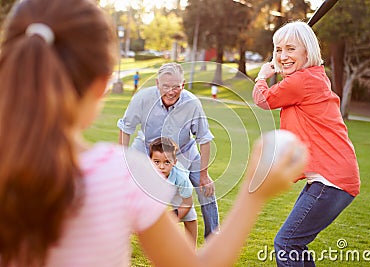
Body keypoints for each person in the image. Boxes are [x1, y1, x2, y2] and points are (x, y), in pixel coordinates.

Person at [0, 0, 309, 266]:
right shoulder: (118, 174)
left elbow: (202, 139)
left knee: (197, 192)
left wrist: (200, 174)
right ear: (101, 84)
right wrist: (253, 197)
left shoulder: (129, 163)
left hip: (177, 159)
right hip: (148, 158)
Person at [253, 21, 361, 266]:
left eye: (291, 49)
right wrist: (281, 69)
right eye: (278, 50)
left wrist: (262, 76)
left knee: (287, 243)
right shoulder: (312, 77)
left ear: (307, 51)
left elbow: (263, 99)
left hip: (331, 179)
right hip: (331, 179)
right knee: (294, 245)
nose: (283, 56)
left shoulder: (302, 81)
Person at [117, 62, 220, 238]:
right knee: (122, 182)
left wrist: (204, 174)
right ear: (157, 83)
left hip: (184, 151)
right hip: (147, 147)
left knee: (206, 188)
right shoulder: (142, 98)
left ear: (183, 85)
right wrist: (123, 162)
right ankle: (120, 229)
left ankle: (213, 236)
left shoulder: (192, 103)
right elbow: (126, 128)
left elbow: (204, 138)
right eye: (166, 86)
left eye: (176, 87)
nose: (171, 91)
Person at [149, 137, 198, 247]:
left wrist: (174, 217)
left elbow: (187, 203)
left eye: (167, 162)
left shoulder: (181, 178)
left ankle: (191, 250)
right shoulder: (147, 173)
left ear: (174, 162)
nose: (161, 167)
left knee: (189, 216)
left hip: (176, 188)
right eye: (156, 162)